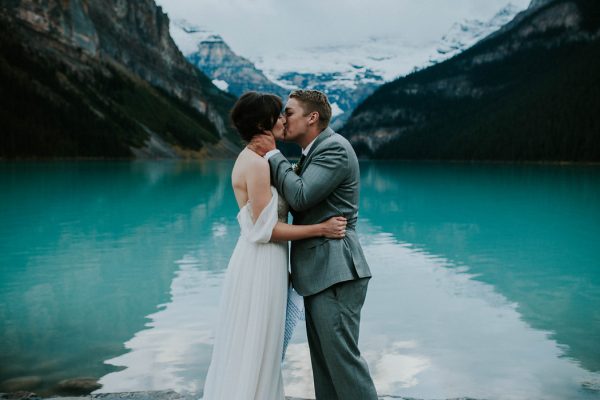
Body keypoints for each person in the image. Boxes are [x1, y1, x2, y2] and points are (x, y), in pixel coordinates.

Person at [201, 91, 347, 400]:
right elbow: (265, 230)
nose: (284, 119)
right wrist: (320, 228)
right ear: (263, 123)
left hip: (268, 261)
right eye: (279, 114)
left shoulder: (261, 159)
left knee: (263, 342)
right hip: (261, 262)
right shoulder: (254, 164)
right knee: (257, 342)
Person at [249, 89, 378, 400]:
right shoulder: (312, 152)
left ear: (312, 117)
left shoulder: (334, 149)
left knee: (343, 364)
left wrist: (272, 155)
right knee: (324, 365)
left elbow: (301, 196)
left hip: (337, 270)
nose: (282, 119)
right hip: (321, 272)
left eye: (288, 112)